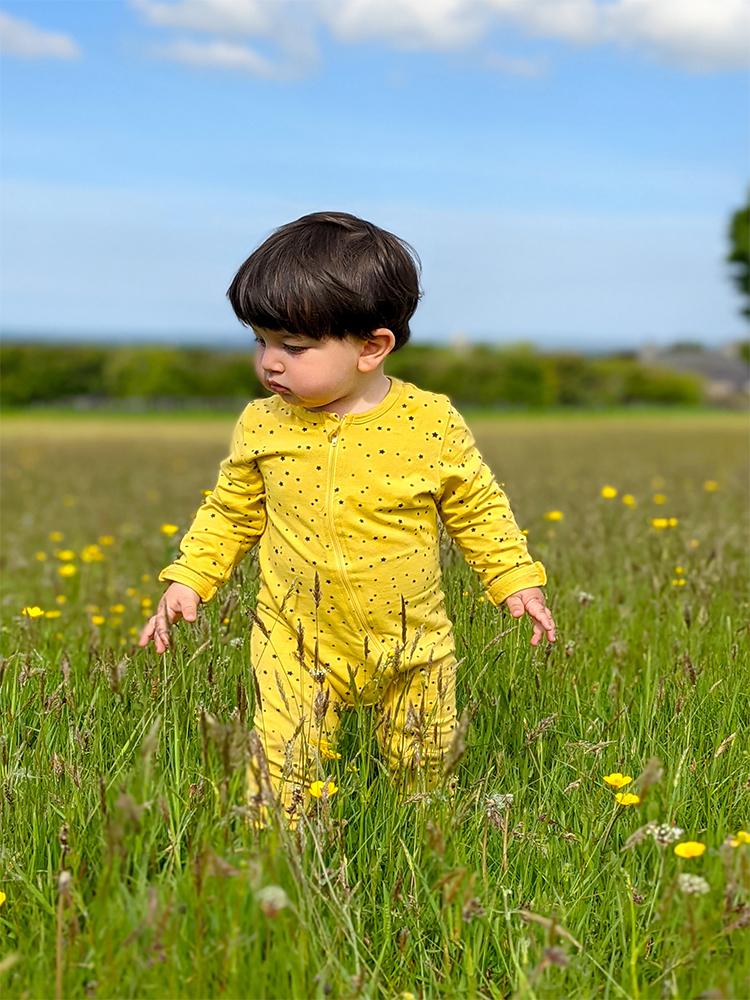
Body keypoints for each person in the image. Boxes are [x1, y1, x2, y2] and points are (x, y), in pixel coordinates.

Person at [139, 211, 555, 824]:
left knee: (422, 773)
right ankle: (277, 868)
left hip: (410, 640)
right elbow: (229, 511)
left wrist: (514, 578)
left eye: (294, 347)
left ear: (372, 346)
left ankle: (416, 853)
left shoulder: (430, 421)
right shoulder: (262, 424)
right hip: (294, 637)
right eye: (261, 341)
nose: (270, 363)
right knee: (280, 770)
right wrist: (190, 579)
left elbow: (477, 505)